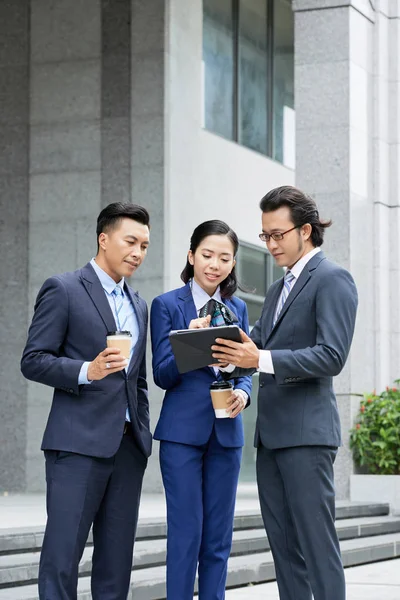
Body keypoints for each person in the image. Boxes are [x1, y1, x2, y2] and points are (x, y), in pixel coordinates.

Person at [212, 186, 358, 600]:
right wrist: (223, 353)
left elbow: (331, 356)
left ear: (306, 230)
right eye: (265, 236)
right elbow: (253, 349)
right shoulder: (277, 291)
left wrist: (258, 359)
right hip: (271, 438)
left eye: (278, 234)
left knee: (316, 545)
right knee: (284, 548)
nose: (271, 244)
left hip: (307, 436)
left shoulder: (332, 279)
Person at [21, 202, 152, 600]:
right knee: (62, 559)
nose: (138, 252)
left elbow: (138, 378)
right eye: (131, 241)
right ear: (103, 238)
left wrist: (141, 431)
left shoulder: (139, 305)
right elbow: (33, 360)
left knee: (116, 565)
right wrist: (86, 370)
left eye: (145, 246)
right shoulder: (63, 288)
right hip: (76, 446)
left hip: (127, 448)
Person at [150, 220, 252, 600]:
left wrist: (244, 391)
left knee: (218, 538)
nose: (215, 264)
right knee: (186, 533)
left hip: (226, 432)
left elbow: (245, 366)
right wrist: (188, 342)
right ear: (191, 256)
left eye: (225, 258)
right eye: (207, 255)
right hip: (181, 435)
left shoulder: (238, 307)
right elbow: (162, 374)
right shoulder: (166, 305)